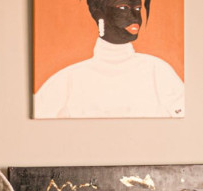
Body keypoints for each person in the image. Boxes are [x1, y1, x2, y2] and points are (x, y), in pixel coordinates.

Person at [34, 0, 183, 118]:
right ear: (99, 15)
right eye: (123, 7)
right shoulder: (69, 81)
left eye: (138, 8)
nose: (135, 17)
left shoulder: (158, 72)